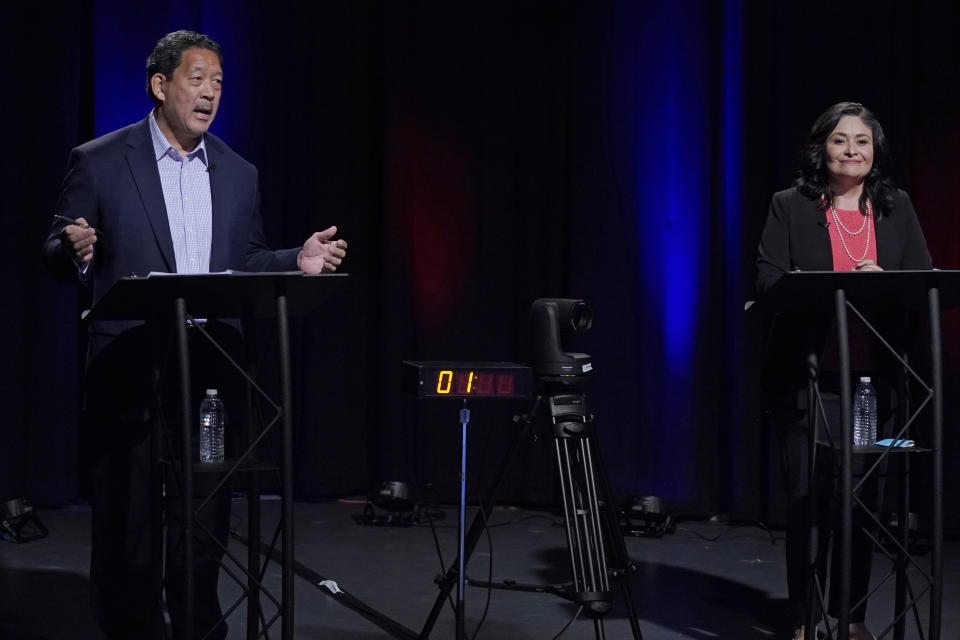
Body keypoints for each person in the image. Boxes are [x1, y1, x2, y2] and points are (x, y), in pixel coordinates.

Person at [42, 30, 347, 640]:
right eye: (198, 79)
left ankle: (196, 625)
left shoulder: (239, 172)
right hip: (129, 366)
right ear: (161, 85)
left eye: (218, 83)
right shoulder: (100, 160)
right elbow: (56, 247)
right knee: (128, 524)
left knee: (203, 518)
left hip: (211, 372)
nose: (210, 93)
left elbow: (247, 260)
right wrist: (73, 250)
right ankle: (129, 629)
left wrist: (295, 260)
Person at [756, 102, 931, 640]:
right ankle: (805, 618)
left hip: (871, 386)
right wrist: (826, 285)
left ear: (874, 152)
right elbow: (767, 281)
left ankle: (851, 617)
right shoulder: (791, 205)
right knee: (809, 503)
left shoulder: (896, 207)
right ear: (821, 149)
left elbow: (923, 280)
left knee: (860, 505)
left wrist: (884, 282)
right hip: (808, 381)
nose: (852, 150)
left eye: (862, 141)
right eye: (840, 140)